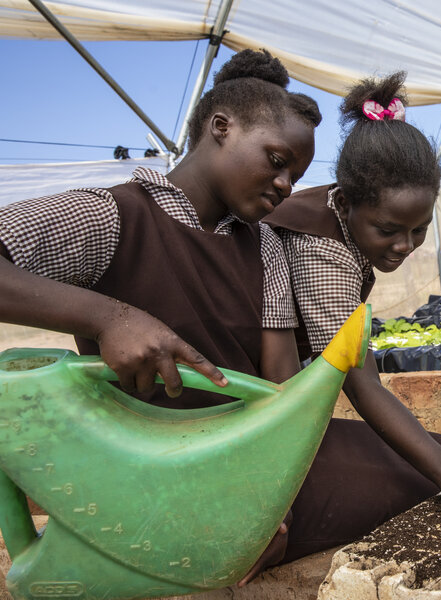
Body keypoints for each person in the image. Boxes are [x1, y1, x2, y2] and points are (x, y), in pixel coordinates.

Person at [0, 48, 320, 580]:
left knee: (411, 465)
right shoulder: (111, 214)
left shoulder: (264, 246)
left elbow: (281, 380)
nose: (286, 185)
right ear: (221, 127)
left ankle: (230, 541)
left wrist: (271, 487)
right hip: (142, 462)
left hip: (245, 455)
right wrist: (110, 317)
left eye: (297, 174)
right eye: (277, 160)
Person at [264, 72, 441, 563]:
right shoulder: (322, 253)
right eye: (388, 230)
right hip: (254, 430)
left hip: (278, 413)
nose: (404, 246)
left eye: (419, 231)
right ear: (349, 200)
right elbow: (361, 384)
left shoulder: (331, 212)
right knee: (439, 466)